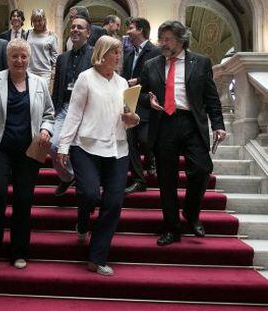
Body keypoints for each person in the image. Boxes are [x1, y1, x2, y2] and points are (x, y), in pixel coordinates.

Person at [57, 36, 140, 276]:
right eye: (115, 52)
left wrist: (133, 119)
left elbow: (128, 116)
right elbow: (73, 114)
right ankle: (83, 222)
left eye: (119, 53)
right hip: (86, 147)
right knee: (89, 194)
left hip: (118, 148)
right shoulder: (86, 78)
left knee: (113, 204)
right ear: (102, 54)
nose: (118, 57)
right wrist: (63, 146)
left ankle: (97, 257)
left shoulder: (123, 82)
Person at [139, 21, 226, 246]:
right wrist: (149, 100)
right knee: (167, 180)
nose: (163, 44)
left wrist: (218, 124)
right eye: (161, 39)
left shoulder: (201, 62)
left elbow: (211, 97)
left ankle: (190, 212)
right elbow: (140, 94)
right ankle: (171, 228)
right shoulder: (150, 65)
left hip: (191, 123)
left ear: (181, 40)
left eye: (168, 39)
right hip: (163, 123)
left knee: (202, 169)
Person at [0, 38, 54, 272]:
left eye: (23, 56)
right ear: (7, 58)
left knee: (23, 201)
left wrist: (45, 129)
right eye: (14, 56)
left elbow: (49, 113)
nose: (19, 60)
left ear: (29, 58)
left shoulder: (39, 84)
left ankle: (19, 252)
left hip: (28, 151)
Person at [50, 16, 93, 196]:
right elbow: (57, 87)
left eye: (80, 28)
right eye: (73, 27)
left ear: (88, 33)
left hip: (86, 109)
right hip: (64, 107)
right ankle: (68, 177)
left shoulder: (94, 55)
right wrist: (52, 111)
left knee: (80, 147)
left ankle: (85, 181)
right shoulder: (62, 58)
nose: (75, 30)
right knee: (53, 145)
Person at [122, 17, 161, 194]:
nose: (127, 32)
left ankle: (151, 159)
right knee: (130, 141)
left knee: (146, 141)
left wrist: (139, 82)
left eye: (130, 28)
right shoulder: (129, 54)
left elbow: (157, 79)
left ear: (140, 30)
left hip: (147, 103)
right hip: (130, 104)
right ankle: (139, 179)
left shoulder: (155, 51)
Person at [27, 8, 58, 86]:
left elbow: (55, 56)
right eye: (34, 21)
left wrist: (53, 71)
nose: (37, 23)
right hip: (29, 71)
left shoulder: (51, 36)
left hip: (44, 72)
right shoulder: (27, 34)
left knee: (41, 96)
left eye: (39, 20)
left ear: (44, 20)